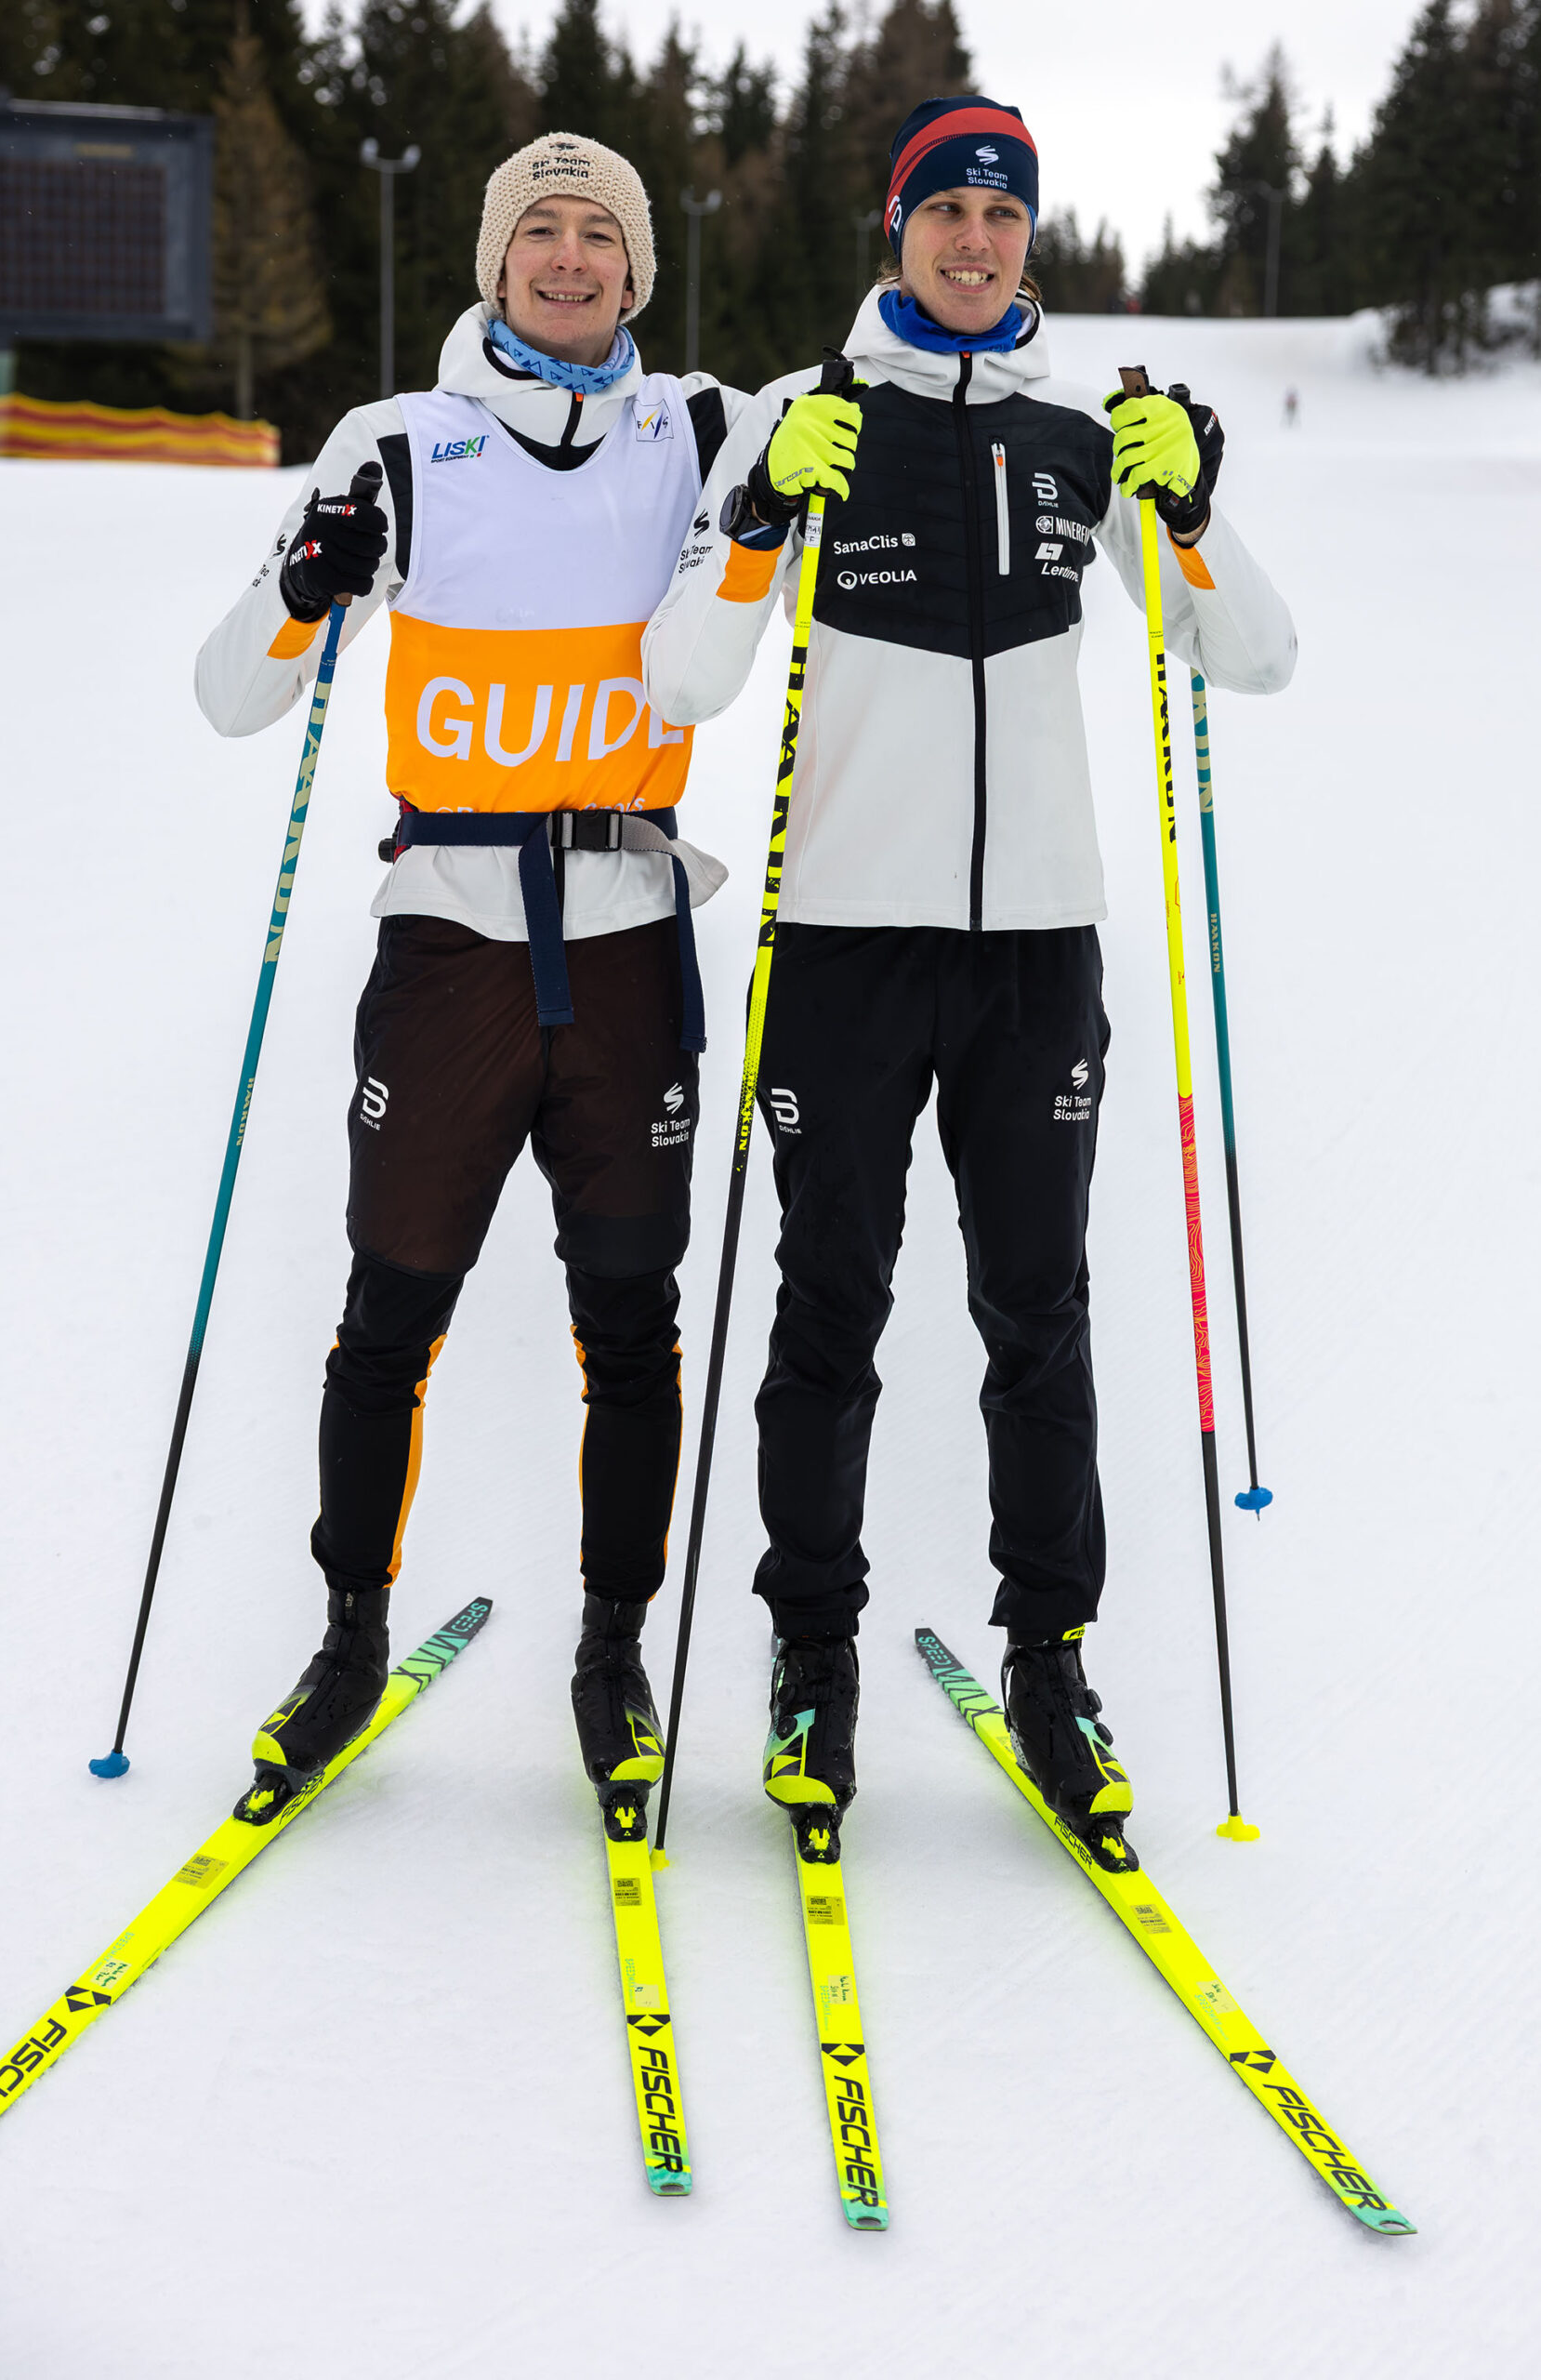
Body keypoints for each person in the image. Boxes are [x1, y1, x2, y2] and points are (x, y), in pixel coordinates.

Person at [643, 95, 1296, 1870]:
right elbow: (683, 679)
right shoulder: (803, 415)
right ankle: (812, 1659)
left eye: (1006, 215)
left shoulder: (1086, 437)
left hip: (1036, 957)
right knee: (828, 1312)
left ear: (1031, 241)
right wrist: (761, 514)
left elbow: (1255, 657)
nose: (978, 240)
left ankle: (1051, 1659)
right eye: (948, 209)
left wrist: (1193, 508)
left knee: (1040, 1313)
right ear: (898, 226)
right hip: (845, 945)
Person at [196, 133, 753, 1837]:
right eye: (541, 232)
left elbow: (865, 415)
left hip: (628, 934)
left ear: (638, 270)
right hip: (449, 944)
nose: (570, 260)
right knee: (393, 1313)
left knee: (632, 1324)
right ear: (497, 262)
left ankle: (613, 1647)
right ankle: (349, 1635)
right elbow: (232, 694)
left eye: (600, 235)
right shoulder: (396, 445)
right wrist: (304, 589)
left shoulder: (702, 432)